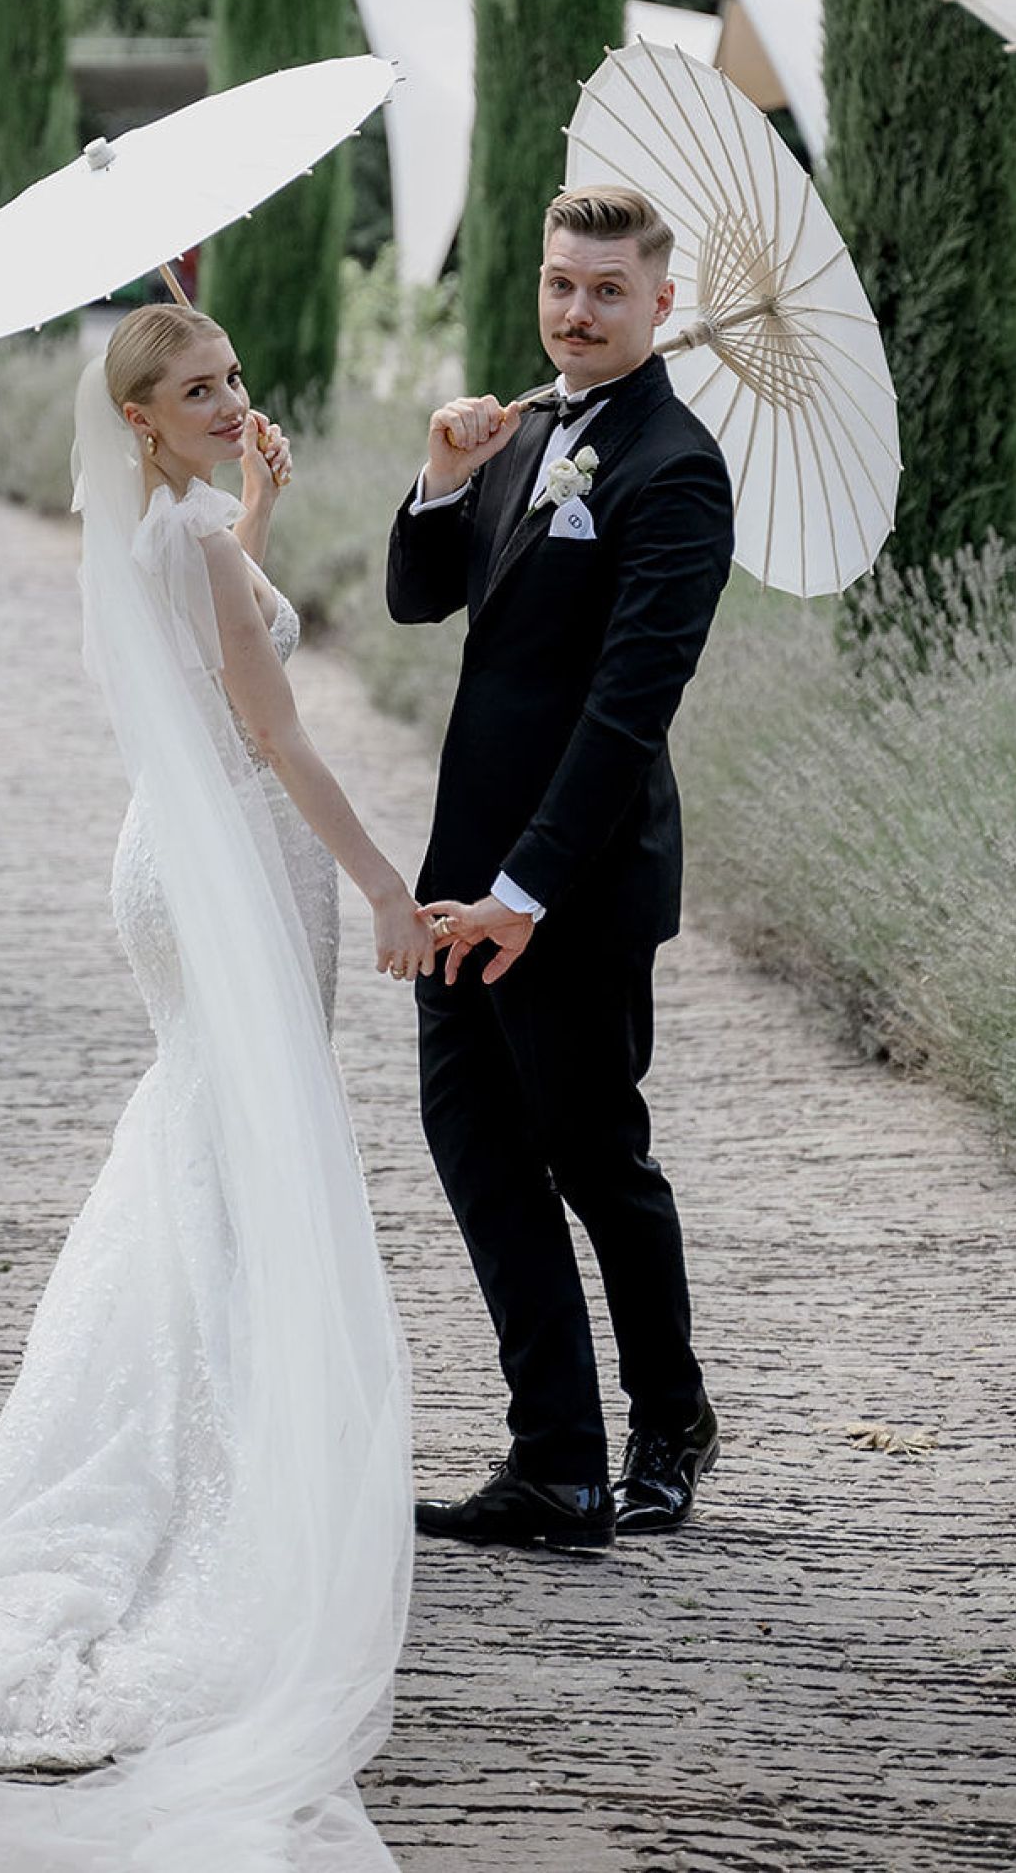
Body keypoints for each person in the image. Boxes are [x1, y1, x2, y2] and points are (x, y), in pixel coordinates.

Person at [0, 304, 426, 1872]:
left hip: (164, 862)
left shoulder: (148, 535)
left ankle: (206, 1434)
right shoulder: (186, 547)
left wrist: (252, 507)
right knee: (251, 1148)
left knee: (209, 1144)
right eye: (198, 391)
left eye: (234, 377)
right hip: (240, 860)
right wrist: (390, 886)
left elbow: (206, 624)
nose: (232, 401)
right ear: (137, 418)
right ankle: (225, 1484)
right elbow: (276, 735)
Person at [387, 185, 735, 1551]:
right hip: (458, 871)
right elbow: (420, 598)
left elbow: (626, 710)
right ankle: (558, 1464)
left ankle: (671, 1419)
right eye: (560, 284)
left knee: (596, 1160)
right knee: (475, 1150)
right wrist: (442, 478)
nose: (577, 312)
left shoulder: (677, 469)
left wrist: (526, 894)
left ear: (660, 302)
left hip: (573, 890)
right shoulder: (524, 429)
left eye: (606, 290)